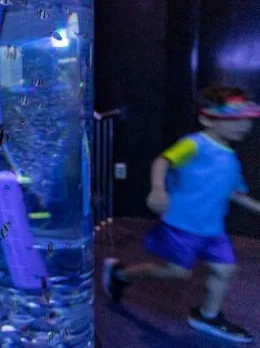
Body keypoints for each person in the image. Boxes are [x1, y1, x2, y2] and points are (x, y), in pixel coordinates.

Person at [102, 86, 260, 343]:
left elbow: (236, 193)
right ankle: (120, 274)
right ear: (206, 119)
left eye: (246, 119)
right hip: (182, 226)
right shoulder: (194, 144)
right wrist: (158, 189)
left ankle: (207, 316)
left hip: (213, 230)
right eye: (234, 119)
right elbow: (163, 161)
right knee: (176, 271)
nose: (243, 125)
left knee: (224, 270)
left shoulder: (232, 159)